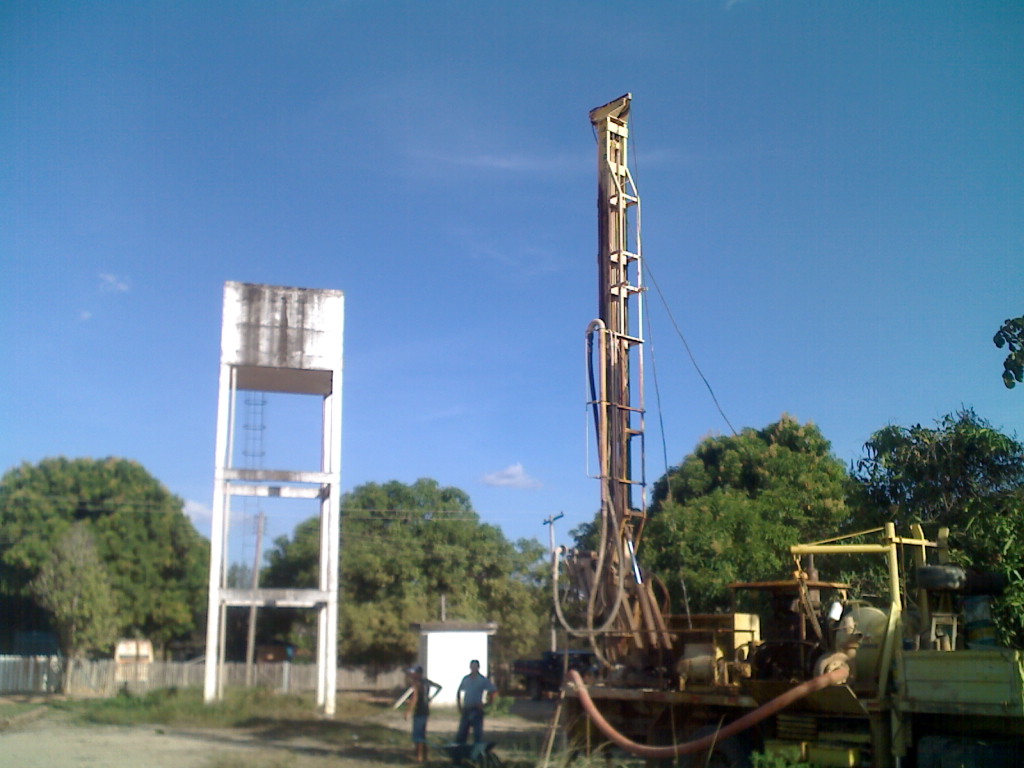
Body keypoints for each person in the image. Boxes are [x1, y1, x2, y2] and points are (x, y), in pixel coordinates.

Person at [404, 665, 442, 762]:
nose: (412, 675)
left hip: (419, 710)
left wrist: (408, 711)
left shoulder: (417, 683)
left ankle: (419, 756)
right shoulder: (426, 682)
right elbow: (439, 687)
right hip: (426, 709)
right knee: (422, 733)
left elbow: (415, 698)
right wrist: (431, 698)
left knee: (418, 735)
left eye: (414, 673)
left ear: (418, 674)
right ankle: (425, 756)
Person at [455, 659, 497, 745]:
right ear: (470, 667)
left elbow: (493, 691)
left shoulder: (482, 680)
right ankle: (460, 752)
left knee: (477, 734)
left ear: (478, 667)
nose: (473, 668)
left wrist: (487, 704)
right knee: (462, 733)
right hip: (467, 708)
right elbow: (459, 692)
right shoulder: (466, 679)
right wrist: (459, 706)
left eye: (475, 666)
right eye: (472, 666)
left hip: (477, 709)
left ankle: (477, 752)